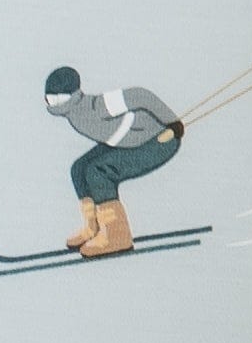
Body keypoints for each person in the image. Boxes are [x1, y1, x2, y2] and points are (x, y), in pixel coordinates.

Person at [42, 66, 183, 258]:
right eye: (50, 100)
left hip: (157, 141)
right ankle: (95, 227)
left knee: (98, 172)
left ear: (73, 96)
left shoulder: (98, 105)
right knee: (79, 169)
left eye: (59, 99)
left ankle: (117, 236)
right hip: (126, 142)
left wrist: (172, 122)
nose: (54, 104)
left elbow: (140, 95)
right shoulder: (74, 114)